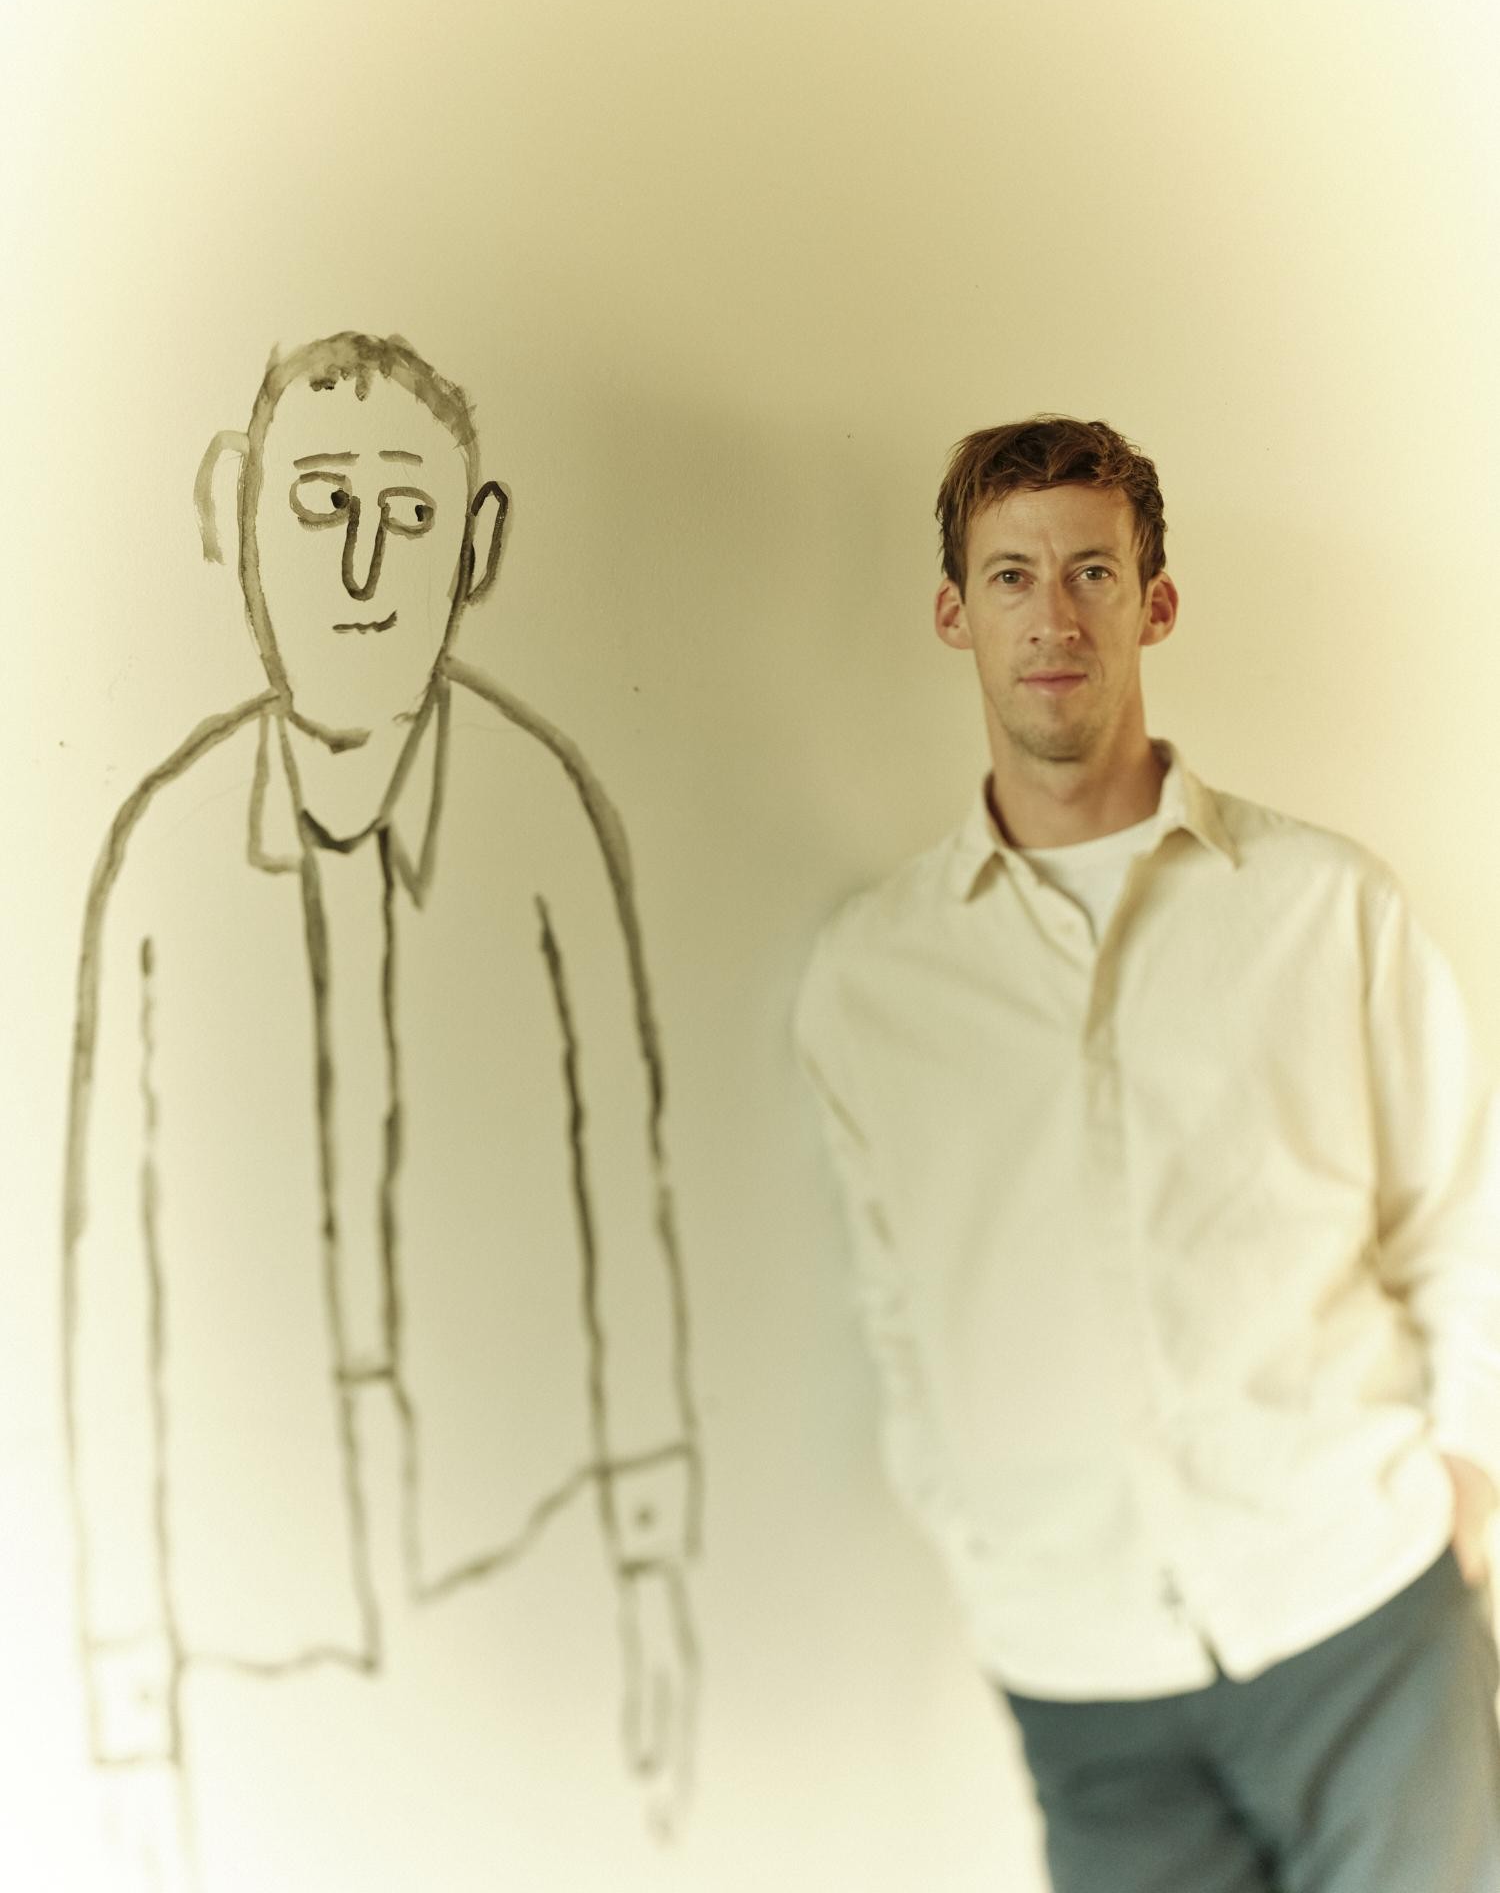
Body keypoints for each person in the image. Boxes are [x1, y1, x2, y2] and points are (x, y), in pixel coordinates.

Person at [794, 415, 1500, 1891]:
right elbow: (897, 1299)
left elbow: (1461, 1209)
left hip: (1360, 1617)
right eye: (1010, 576)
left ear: (1154, 603)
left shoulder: (1325, 907)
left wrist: (1465, 1484)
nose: (1052, 616)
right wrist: (982, 1537)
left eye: (1092, 572)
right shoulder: (870, 979)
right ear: (954, 614)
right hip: (1083, 1672)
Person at [63, 332, 700, 1889]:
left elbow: (623, 1188)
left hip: (517, 1563)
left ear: (475, 546)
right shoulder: (161, 856)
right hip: (255, 1623)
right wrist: (128, 1702)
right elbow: (111, 1291)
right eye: (319, 505)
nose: (361, 568)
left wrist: (649, 1554)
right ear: (236, 512)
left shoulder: (541, 814)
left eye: (409, 516)